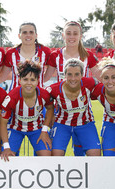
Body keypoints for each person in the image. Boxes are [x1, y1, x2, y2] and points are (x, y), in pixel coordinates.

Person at [44, 21, 101, 156]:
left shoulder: (88, 55)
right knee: (56, 153)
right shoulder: (55, 55)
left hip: (82, 110)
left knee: (81, 152)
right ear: (63, 35)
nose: (71, 36)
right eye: (68, 33)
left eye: (75, 33)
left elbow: (101, 78)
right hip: (60, 110)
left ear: (81, 35)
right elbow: (44, 79)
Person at [0, 61, 54, 161]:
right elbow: (2, 123)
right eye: (25, 79)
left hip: (36, 129)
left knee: (47, 157)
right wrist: (7, 147)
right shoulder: (11, 97)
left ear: (38, 81)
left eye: (32, 79)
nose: (29, 83)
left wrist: (45, 130)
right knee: (7, 157)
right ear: (19, 80)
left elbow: (50, 109)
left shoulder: (44, 94)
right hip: (16, 129)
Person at [47, 58, 101, 157]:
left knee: (95, 156)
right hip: (62, 124)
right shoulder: (54, 89)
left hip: (85, 123)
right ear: (64, 74)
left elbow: (106, 89)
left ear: (82, 74)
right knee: (55, 156)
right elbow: (43, 103)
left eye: (77, 74)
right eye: (69, 74)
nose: (73, 78)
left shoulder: (90, 83)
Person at [0, 22, 51, 90]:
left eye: (31, 32)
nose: (28, 35)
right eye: (24, 32)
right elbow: (3, 76)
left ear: (36, 35)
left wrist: (37, 82)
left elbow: (47, 75)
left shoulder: (45, 52)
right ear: (19, 36)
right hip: (16, 96)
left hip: (38, 96)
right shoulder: (11, 53)